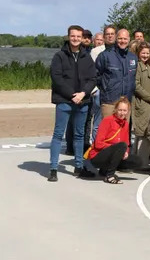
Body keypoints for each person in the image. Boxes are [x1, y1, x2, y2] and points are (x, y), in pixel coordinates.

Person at [48, 25, 96, 182]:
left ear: (82, 38)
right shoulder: (59, 56)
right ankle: (53, 168)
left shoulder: (86, 57)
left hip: (83, 101)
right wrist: (71, 95)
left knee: (79, 134)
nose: (75, 39)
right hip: (64, 101)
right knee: (58, 134)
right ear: (68, 37)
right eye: (73, 36)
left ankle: (78, 165)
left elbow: (92, 79)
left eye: (78, 36)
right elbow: (57, 79)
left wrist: (83, 93)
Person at [86, 98, 141, 183]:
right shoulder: (107, 121)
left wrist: (125, 152)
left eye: (124, 110)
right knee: (121, 146)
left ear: (128, 111)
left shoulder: (125, 124)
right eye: (120, 110)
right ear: (115, 110)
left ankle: (105, 169)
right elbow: (98, 143)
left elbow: (126, 142)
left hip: (117, 152)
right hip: (98, 155)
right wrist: (115, 149)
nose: (122, 113)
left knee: (138, 161)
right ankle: (110, 175)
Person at [133, 42, 150, 165]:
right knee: (144, 134)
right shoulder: (138, 67)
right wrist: (149, 97)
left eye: (147, 53)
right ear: (138, 53)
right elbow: (136, 85)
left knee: (142, 134)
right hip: (143, 103)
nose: (145, 55)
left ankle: (137, 160)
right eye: (143, 53)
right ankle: (141, 163)